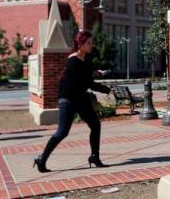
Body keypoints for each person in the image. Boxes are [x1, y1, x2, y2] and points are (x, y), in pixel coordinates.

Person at [33, 30, 112, 172]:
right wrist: (107, 90)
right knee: (62, 132)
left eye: (91, 43)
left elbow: (87, 77)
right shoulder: (73, 61)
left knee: (95, 125)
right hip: (68, 100)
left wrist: (96, 73)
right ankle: (41, 159)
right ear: (80, 44)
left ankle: (95, 156)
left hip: (80, 99)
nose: (91, 45)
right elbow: (87, 82)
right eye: (88, 43)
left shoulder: (85, 59)